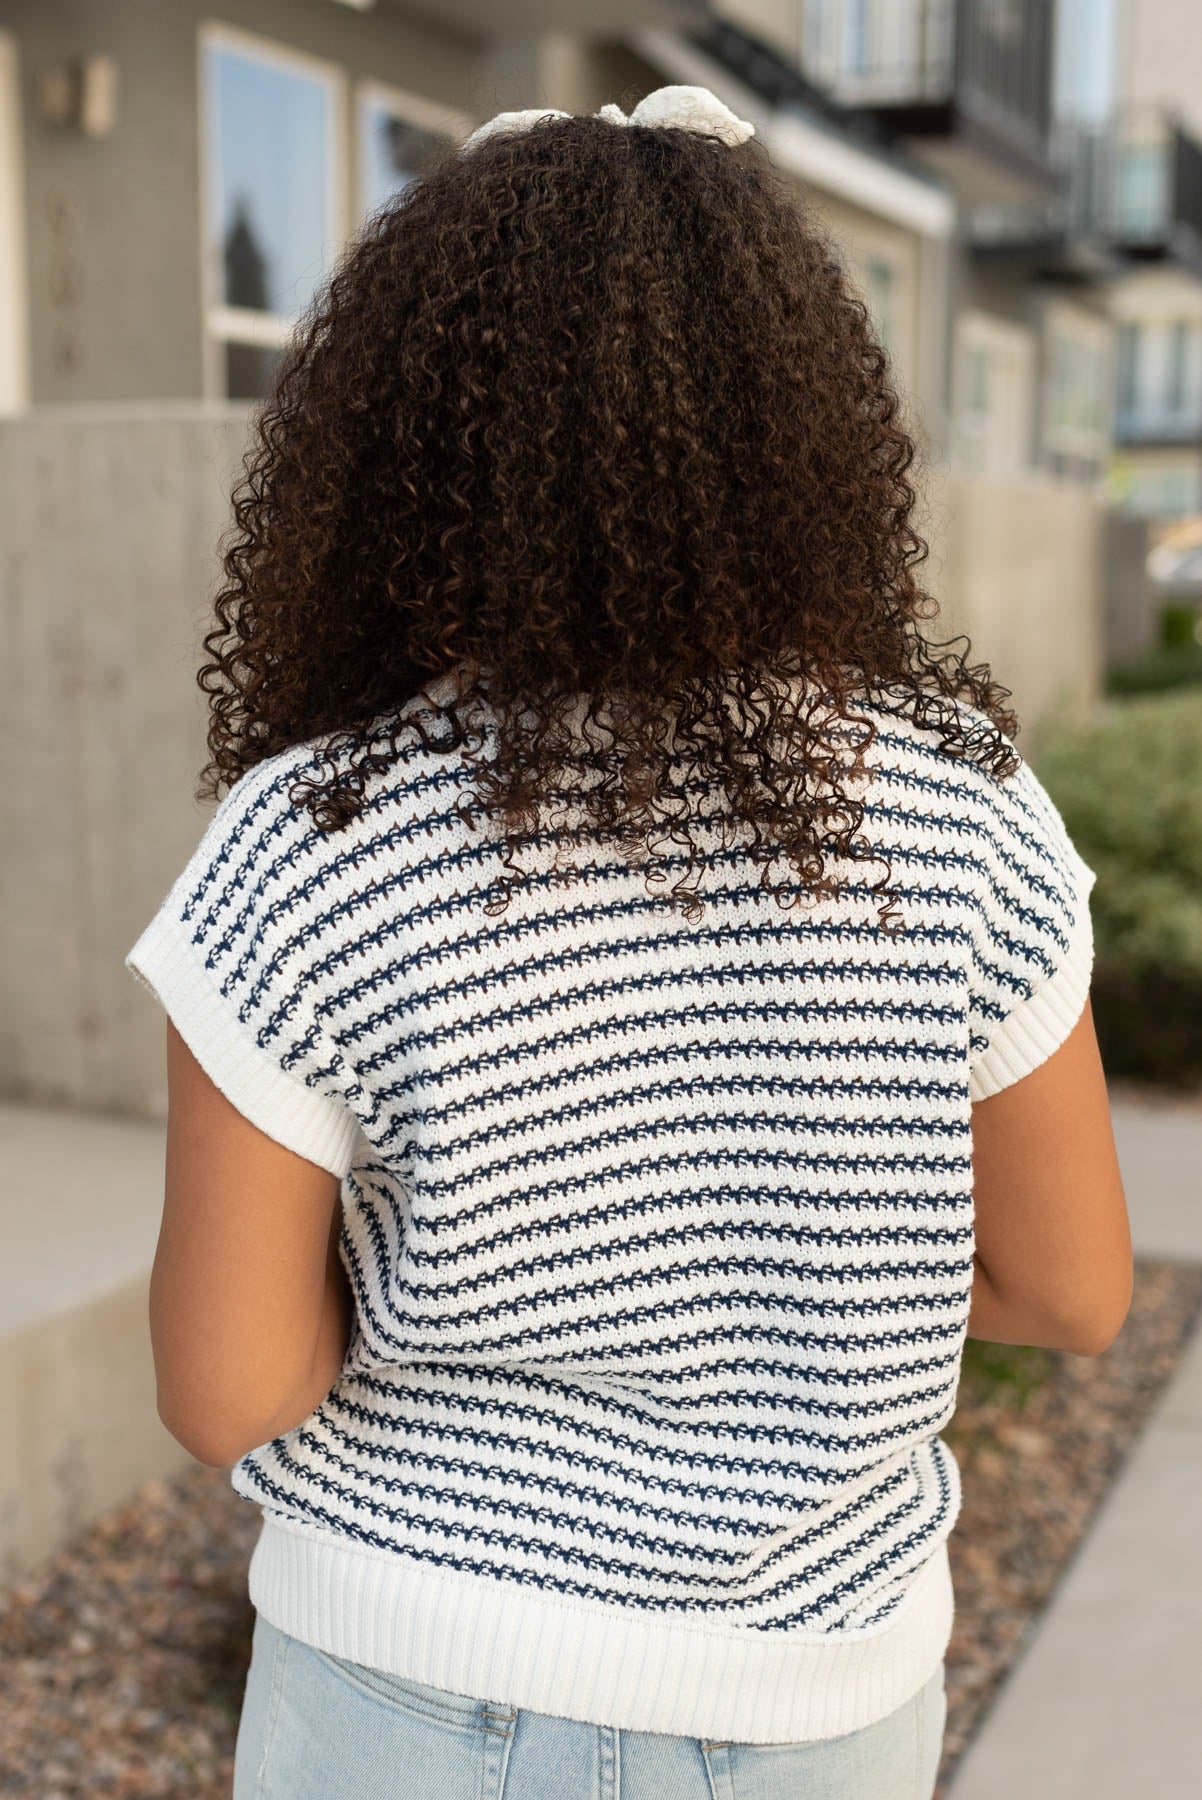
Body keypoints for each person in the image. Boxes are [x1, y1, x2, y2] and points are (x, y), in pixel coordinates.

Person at [124, 84, 1133, 1800]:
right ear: (801, 434)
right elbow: (1067, 1285)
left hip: (406, 1680)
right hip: (823, 1700)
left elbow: (228, 1388)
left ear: (394, 448)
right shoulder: (963, 813)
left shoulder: (316, 835)